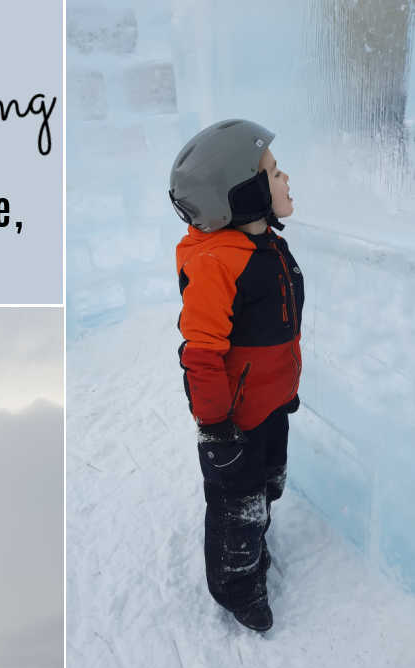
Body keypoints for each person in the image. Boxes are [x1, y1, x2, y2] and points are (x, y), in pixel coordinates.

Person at [169, 119, 304, 632]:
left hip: (270, 405)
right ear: (242, 191)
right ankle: (238, 589)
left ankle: (256, 541)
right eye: (272, 171)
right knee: (236, 511)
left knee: (266, 489)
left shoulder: (263, 242)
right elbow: (201, 354)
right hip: (234, 422)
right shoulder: (217, 263)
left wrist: (284, 390)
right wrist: (216, 428)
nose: (285, 177)